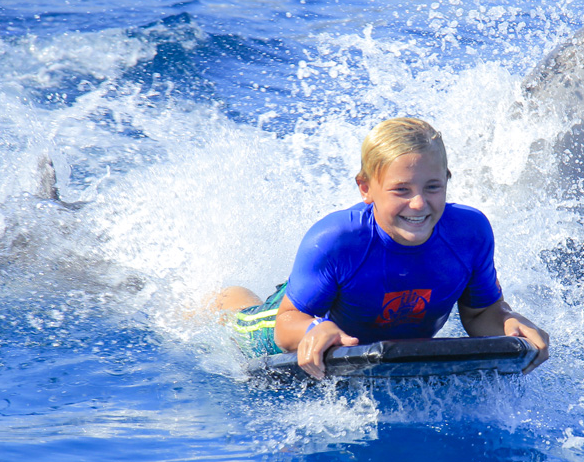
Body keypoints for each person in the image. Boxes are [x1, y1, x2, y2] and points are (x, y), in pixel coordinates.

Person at [214, 117, 550, 379]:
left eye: (432, 187)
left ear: (447, 180)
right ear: (366, 188)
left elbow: (480, 313)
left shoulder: (470, 233)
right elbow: (287, 323)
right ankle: (206, 302)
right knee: (233, 321)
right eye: (401, 190)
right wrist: (313, 328)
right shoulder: (336, 241)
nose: (418, 204)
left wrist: (507, 324)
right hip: (296, 314)